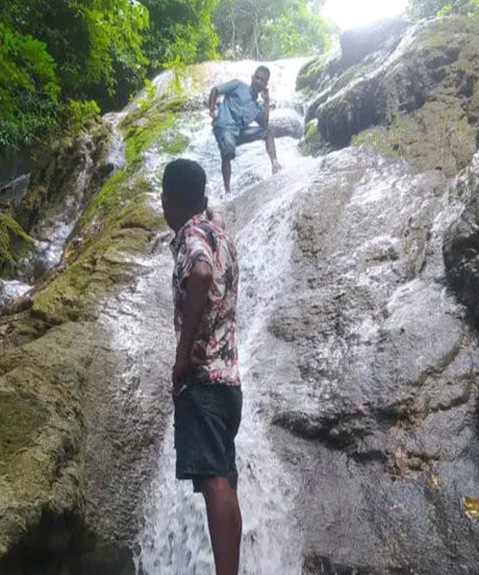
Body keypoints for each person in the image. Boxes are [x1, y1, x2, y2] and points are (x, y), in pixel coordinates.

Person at [162, 158, 242, 575]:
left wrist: (182, 353)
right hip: (229, 383)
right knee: (224, 481)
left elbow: (201, 271)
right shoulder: (220, 234)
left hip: (205, 378)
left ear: (168, 199)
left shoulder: (193, 234)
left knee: (214, 482)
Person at [209, 65, 280, 195]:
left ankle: (275, 165)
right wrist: (212, 109)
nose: (259, 82)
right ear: (252, 78)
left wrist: (266, 101)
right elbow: (215, 90)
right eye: (257, 78)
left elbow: (264, 122)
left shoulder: (256, 106)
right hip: (224, 127)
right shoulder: (238, 85)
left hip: (239, 133)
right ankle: (227, 191)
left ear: (265, 85)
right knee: (228, 151)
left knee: (268, 131)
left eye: (263, 81)